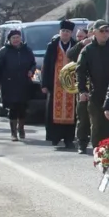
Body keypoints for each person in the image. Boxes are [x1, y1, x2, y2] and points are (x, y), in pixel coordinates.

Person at [76, 20, 109, 151]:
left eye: (107, 31)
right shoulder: (88, 50)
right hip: (96, 93)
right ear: (94, 32)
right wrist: (82, 90)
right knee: (98, 125)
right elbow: (80, 71)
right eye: (102, 31)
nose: (105, 34)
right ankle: (97, 152)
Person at [0, 29, 37, 141]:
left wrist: (31, 71)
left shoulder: (27, 50)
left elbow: (33, 64)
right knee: (13, 108)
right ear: (9, 40)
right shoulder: (4, 51)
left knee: (22, 108)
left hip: (24, 83)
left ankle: (21, 128)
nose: (16, 40)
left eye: (18, 37)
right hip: (9, 83)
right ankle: (13, 132)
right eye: (13, 38)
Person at [41, 20, 78, 150]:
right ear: (60, 32)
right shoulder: (52, 46)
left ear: (71, 33)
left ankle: (69, 139)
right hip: (55, 84)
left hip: (71, 84)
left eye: (68, 32)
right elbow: (46, 66)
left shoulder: (76, 45)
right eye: (63, 31)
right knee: (53, 111)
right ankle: (55, 137)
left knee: (71, 111)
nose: (65, 34)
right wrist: (44, 84)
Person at [68, 23, 94, 153]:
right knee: (83, 117)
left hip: (100, 87)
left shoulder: (108, 45)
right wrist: (81, 43)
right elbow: (70, 54)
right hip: (84, 87)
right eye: (92, 31)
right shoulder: (83, 45)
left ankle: (98, 144)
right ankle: (82, 143)